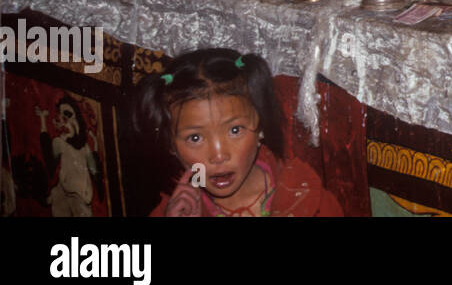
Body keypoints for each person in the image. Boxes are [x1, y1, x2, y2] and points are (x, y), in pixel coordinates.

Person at [133, 48, 342, 217]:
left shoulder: (305, 196)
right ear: (171, 144)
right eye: (195, 138)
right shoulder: (173, 213)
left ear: (260, 125)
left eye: (235, 130)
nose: (218, 155)